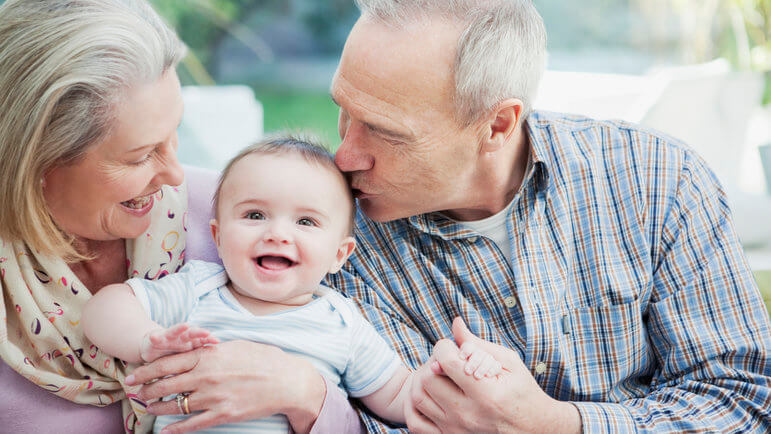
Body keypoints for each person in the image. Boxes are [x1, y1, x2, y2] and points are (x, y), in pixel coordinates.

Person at [326, 0, 771, 432]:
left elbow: (743, 400)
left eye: (384, 132)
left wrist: (554, 425)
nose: (343, 157)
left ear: (497, 125)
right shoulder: (329, 242)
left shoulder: (658, 180)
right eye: (344, 112)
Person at [0, 1, 361, 433]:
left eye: (174, 136)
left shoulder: (245, 215)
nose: (175, 175)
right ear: (34, 164)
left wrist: (306, 394)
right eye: (140, 156)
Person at [83, 137, 503, 432]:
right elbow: (105, 308)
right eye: (254, 215)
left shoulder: (342, 322)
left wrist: (454, 370)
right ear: (217, 236)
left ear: (339, 254)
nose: (277, 234)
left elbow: (400, 397)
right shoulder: (198, 290)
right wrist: (146, 340)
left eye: (305, 221)